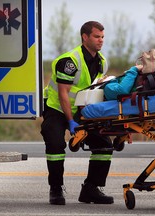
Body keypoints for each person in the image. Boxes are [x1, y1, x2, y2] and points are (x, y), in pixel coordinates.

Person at [41, 21, 114, 205]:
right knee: (56, 145)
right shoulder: (69, 61)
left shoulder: (102, 62)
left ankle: (91, 189)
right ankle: (56, 189)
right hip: (57, 108)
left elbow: (94, 89)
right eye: (97, 36)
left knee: (104, 145)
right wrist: (70, 121)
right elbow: (63, 93)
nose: (101, 40)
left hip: (82, 111)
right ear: (85, 37)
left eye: (103, 37)